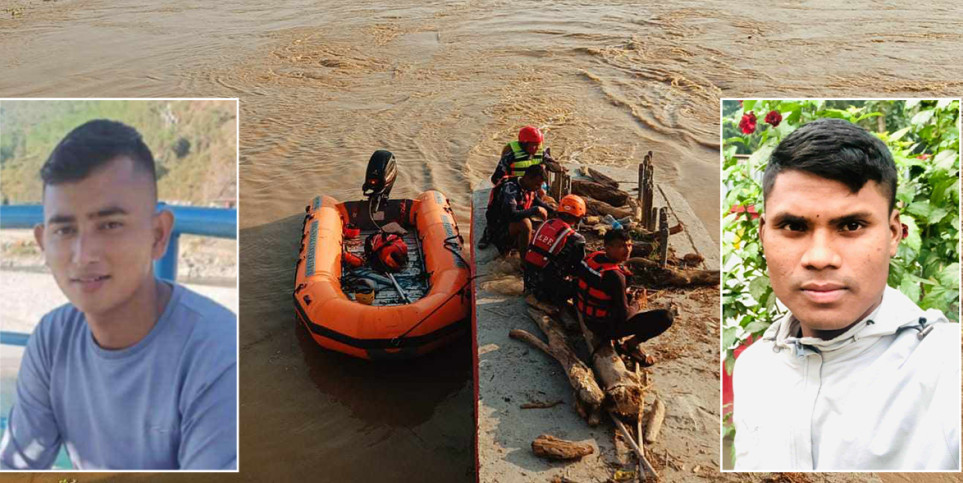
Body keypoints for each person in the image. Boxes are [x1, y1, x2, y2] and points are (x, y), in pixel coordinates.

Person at [0, 120, 237, 470]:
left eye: (109, 225)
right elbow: (16, 467)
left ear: (158, 236)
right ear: (42, 244)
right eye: (64, 230)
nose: (83, 255)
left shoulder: (218, 355)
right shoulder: (52, 340)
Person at [732, 118, 960, 471]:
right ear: (763, 234)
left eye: (852, 225)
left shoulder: (945, 368)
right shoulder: (754, 369)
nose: (820, 257)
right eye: (793, 226)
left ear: (895, 233)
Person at [574, 229, 674, 364]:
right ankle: (630, 346)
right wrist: (639, 303)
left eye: (629, 245)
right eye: (622, 246)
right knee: (665, 317)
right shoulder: (615, 276)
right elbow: (625, 316)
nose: (627, 250)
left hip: (586, 315)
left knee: (628, 298)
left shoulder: (592, 257)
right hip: (603, 327)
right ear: (608, 247)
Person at [523, 194, 587, 307]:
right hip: (548, 291)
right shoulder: (576, 238)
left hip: (529, 282)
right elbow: (579, 268)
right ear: (578, 217)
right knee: (585, 280)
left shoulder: (545, 224)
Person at [483, 164, 551, 257]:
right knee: (525, 223)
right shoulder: (511, 188)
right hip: (499, 229)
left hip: (511, 226)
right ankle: (525, 260)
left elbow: (535, 200)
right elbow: (511, 214)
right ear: (527, 178)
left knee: (544, 225)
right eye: (537, 185)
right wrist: (536, 210)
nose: (538, 188)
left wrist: (553, 211)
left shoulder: (528, 186)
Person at [489, 125, 563, 184]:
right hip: (515, 187)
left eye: (538, 145)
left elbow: (557, 167)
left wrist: (547, 164)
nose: (537, 148)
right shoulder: (510, 155)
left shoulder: (540, 153)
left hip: (535, 187)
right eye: (534, 145)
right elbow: (496, 179)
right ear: (524, 144)